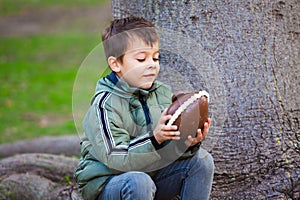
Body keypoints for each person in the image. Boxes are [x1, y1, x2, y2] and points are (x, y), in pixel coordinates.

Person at [74, 16, 214, 200]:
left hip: (150, 179)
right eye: (141, 59)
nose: (151, 65)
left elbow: (164, 151)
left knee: (202, 161)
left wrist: (186, 143)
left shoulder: (162, 93)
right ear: (116, 64)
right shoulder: (104, 104)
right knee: (138, 181)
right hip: (109, 184)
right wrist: (154, 139)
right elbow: (115, 160)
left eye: (155, 58)